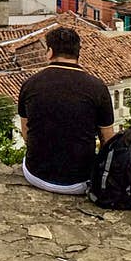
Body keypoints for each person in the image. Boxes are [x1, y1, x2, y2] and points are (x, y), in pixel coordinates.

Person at [17, 26, 115, 195]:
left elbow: (26, 133)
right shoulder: (97, 87)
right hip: (79, 182)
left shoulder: (31, 84)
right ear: (78, 53)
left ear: (50, 52)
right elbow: (108, 140)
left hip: (35, 175)